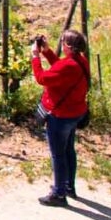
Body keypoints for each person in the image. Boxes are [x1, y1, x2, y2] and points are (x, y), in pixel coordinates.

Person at [31, 29, 90, 206]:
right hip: (75, 113)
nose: (61, 45)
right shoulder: (80, 61)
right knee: (68, 150)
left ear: (68, 47)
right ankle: (68, 187)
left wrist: (35, 56)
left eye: (63, 42)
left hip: (61, 116)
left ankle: (58, 194)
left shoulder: (68, 65)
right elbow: (60, 69)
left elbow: (42, 78)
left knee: (58, 155)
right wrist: (47, 52)